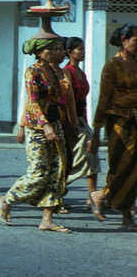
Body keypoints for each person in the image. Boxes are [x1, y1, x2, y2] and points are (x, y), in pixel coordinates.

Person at [0, 33, 74, 232]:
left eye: (59, 48)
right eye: (53, 49)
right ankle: (6, 200)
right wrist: (45, 126)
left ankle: (47, 219)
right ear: (40, 52)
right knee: (38, 173)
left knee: (57, 172)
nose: (58, 52)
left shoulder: (59, 72)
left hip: (56, 125)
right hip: (38, 127)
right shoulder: (34, 71)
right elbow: (33, 102)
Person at [90, 24, 137, 231]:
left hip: (135, 121)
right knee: (121, 166)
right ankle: (103, 196)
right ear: (124, 40)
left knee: (134, 169)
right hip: (118, 123)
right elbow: (104, 99)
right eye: (136, 41)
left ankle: (125, 215)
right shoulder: (112, 66)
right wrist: (96, 129)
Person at [61, 37, 101, 216]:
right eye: (79, 49)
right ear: (70, 52)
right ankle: (56, 192)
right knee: (73, 159)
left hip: (81, 119)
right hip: (71, 120)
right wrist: (73, 124)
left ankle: (92, 195)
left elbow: (83, 100)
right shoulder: (66, 72)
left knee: (91, 154)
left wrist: (84, 121)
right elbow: (67, 100)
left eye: (84, 49)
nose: (83, 52)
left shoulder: (80, 73)